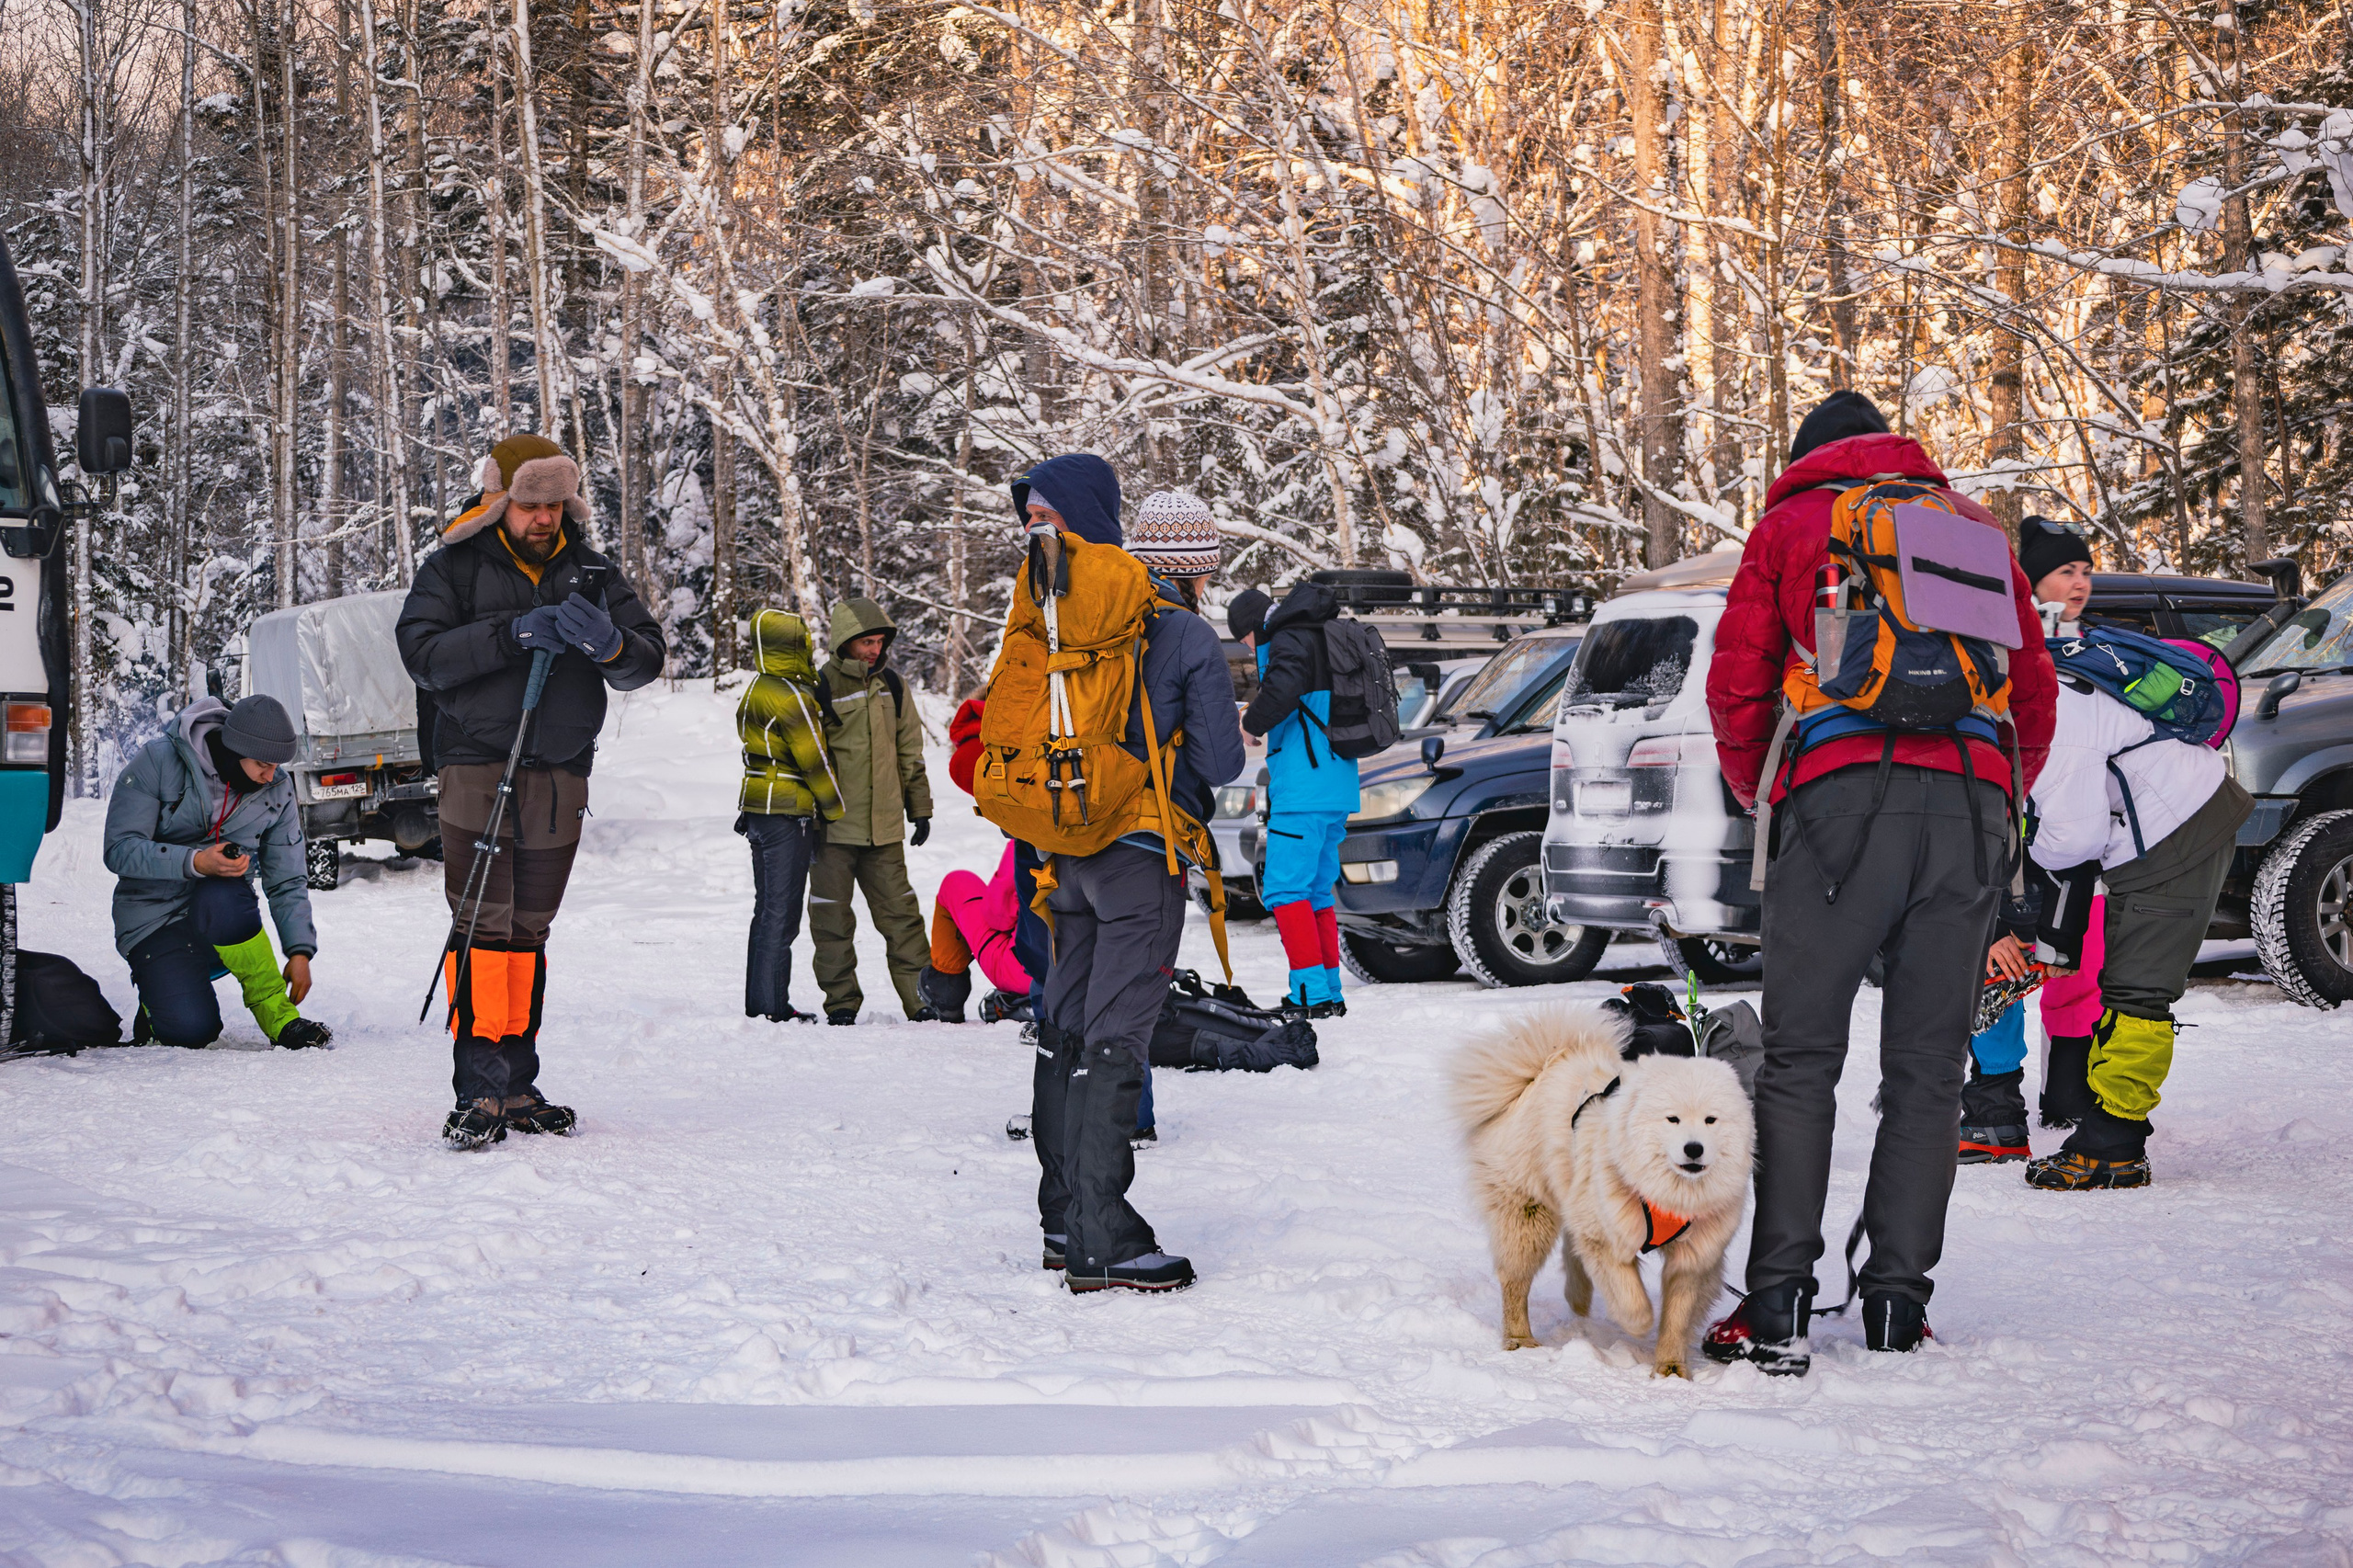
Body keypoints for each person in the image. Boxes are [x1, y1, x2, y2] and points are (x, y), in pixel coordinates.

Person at [1700, 390, 2056, 1372]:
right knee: (1929, 1069)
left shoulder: (1790, 526)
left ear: (1809, 453)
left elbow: (1736, 683)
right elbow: (2030, 690)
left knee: (1800, 1059)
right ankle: (1899, 1303)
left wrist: (1764, 791)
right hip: (1970, 807)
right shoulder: (1969, 527)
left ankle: (1775, 1305)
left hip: (1836, 802)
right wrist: (1995, 794)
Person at [397, 435, 666, 1148]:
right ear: (500, 502)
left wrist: (611, 645)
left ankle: (518, 1084)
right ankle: (479, 1089)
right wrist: (513, 632)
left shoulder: (593, 572)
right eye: (529, 504)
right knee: (484, 928)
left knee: (527, 933)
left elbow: (645, 662)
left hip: (560, 772)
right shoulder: (453, 566)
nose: (544, 518)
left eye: (555, 505)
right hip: (477, 765)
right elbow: (422, 656)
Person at [1017, 466, 1245, 1292]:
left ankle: (1061, 1218)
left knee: (1066, 1025)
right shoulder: (1184, 633)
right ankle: (1104, 1240)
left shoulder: (1073, 622)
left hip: (1068, 853)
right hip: (1141, 858)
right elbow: (1221, 761)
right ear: (1194, 565)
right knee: (1116, 1037)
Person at [2020, 540, 2251, 1191]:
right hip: (2167, 825)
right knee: (2126, 982)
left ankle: (2114, 1146)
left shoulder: (2056, 707)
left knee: (2136, 991)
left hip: (2176, 830)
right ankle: (2110, 1129)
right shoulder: (2051, 681)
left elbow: (2073, 834)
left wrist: (2029, 853)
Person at [1959, 515, 2103, 1161]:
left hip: (2081, 844)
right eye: (2065, 570)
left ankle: (2069, 1095)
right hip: (2015, 842)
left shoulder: (2098, 654)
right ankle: (1996, 1107)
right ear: (2029, 581)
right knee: (2002, 969)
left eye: (2085, 570)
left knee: (2077, 972)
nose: (2079, 582)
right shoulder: (2003, 646)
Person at [103, 695, 333, 1051]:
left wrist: (299, 950)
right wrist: (195, 862)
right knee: (192, 1031)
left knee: (224, 893)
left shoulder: (276, 788)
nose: (271, 776)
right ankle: (156, 1001)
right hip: (152, 918)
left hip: (218, 914)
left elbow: (286, 876)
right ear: (234, 747)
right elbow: (119, 849)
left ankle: (280, 1017)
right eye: (262, 764)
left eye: (277, 766)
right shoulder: (158, 761)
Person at [1233, 575, 1360, 1017]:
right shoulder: (1318, 634)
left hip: (1303, 789)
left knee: (1285, 890)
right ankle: (1328, 991)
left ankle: (1309, 995)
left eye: (1246, 639)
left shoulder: (1288, 639)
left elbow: (1284, 689)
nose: (1250, 649)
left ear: (1254, 625)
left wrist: (1251, 723)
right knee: (1317, 893)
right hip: (1335, 786)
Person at [810, 597, 935, 1024]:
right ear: (845, 641)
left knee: (903, 919)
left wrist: (920, 809)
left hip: (884, 832)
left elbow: (910, 754)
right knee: (831, 923)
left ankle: (923, 1001)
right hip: (832, 832)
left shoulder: (893, 687)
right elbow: (808, 757)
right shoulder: (820, 686)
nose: (874, 650)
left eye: (879, 642)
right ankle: (842, 1004)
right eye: (866, 642)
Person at [737, 608, 843, 1025]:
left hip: (757, 809)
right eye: (804, 640)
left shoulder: (757, 688)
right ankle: (772, 1007)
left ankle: (760, 1001)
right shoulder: (791, 696)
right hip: (787, 813)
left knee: (766, 910)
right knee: (782, 913)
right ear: (793, 646)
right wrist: (834, 810)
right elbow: (814, 762)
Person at [917, 697, 1035, 1025]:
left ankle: (946, 990)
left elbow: (998, 914)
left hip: (1026, 967)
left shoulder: (1030, 830)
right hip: (1098, 967)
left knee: (957, 883)